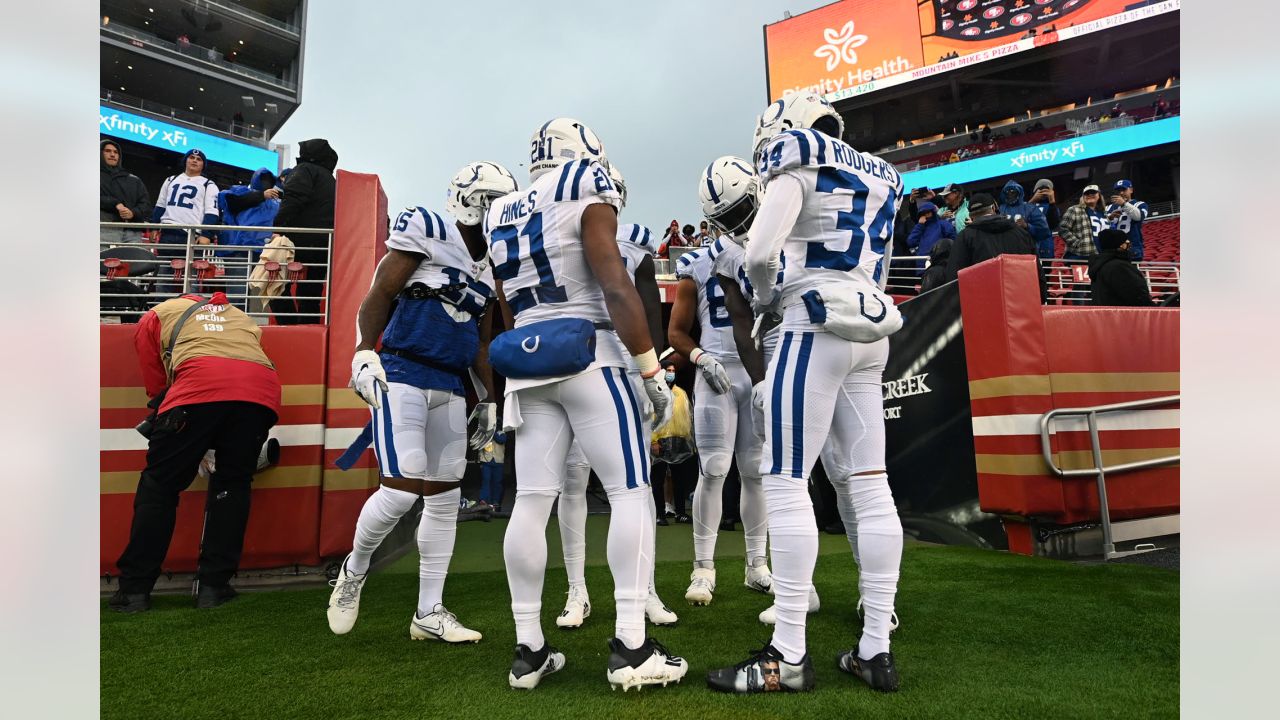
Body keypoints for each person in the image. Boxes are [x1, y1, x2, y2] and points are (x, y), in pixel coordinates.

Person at [709, 92, 906, 694]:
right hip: (872, 327)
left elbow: (763, 252)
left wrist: (767, 297)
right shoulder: (885, 174)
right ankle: (876, 646)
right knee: (871, 485)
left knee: (786, 479)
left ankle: (788, 653)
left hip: (813, 321)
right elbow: (885, 263)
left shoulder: (796, 152)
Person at [487, 118, 686, 691]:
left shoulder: (504, 209)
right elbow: (615, 282)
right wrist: (649, 366)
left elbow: (505, 301)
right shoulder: (585, 184)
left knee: (530, 502)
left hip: (529, 365)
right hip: (591, 354)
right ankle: (631, 646)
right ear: (588, 152)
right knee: (630, 491)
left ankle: (529, 650)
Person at [325, 162, 515, 643]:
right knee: (401, 489)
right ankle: (355, 568)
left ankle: (428, 612)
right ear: (472, 201)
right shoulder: (428, 228)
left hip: (450, 384)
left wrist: (488, 399)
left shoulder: (491, 263)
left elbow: (481, 339)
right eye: (496, 204)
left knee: (445, 499)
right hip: (403, 373)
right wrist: (364, 351)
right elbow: (379, 293)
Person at [553, 163, 679, 632]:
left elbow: (646, 304)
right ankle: (576, 590)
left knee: (636, 481)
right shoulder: (557, 229)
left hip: (624, 360)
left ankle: (644, 588)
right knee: (572, 481)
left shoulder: (634, 239)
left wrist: (656, 367)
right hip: (574, 356)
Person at [108, 290, 280, 613]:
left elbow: (157, 385)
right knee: (233, 483)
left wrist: (179, 426)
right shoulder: (240, 317)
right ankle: (214, 588)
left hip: (196, 392)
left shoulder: (158, 314)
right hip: (260, 395)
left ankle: (134, 591)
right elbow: (250, 366)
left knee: (159, 486)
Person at [671, 159, 777, 609]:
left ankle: (757, 565)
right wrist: (699, 355)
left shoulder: (772, 249)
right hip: (717, 372)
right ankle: (703, 567)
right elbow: (676, 332)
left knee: (755, 472)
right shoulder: (696, 263)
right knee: (714, 468)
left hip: (758, 370)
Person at [271, 138, 338, 323]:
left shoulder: (304, 170)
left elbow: (293, 200)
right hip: (324, 245)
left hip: (297, 241)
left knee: (271, 281)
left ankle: (289, 326)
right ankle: (309, 334)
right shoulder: (331, 179)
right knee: (310, 293)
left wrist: (277, 228)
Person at [946, 192, 1047, 301]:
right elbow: (1036, 269)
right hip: (1021, 302)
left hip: (984, 306)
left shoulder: (964, 237)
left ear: (970, 216)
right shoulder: (1021, 233)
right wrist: (1041, 299)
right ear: (994, 208)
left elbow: (953, 278)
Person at [217, 168, 281, 309]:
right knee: (237, 294)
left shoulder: (275, 203)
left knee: (260, 297)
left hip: (265, 254)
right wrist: (261, 196)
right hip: (239, 250)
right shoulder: (240, 191)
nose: (265, 183)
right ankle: (236, 326)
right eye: (263, 180)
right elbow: (232, 203)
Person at [150, 149, 220, 263]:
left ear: (203, 165)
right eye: (191, 157)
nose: (194, 161)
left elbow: (212, 212)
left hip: (191, 235)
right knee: (164, 272)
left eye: (198, 159)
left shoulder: (208, 184)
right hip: (168, 232)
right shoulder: (170, 180)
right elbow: (160, 205)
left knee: (190, 275)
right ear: (185, 160)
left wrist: (206, 234)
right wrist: (154, 227)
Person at [100, 139, 151, 245]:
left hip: (132, 232)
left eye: (115, 152)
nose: (112, 155)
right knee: (103, 261)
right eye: (108, 151)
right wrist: (115, 203)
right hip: (104, 229)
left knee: (133, 260)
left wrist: (133, 213)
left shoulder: (133, 179)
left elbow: (146, 205)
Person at [1089, 228, 1153, 307]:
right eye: (1126, 241)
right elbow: (1138, 297)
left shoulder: (1100, 265)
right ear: (1119, 245)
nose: (1129, 243)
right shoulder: (1119, 267)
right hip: (1125, 316)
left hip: (1106, 316)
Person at [997, 180, 1052, 259]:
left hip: (1027, 252)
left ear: (1019, 193)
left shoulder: (1030, 208)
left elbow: (1044, 231)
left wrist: (1027, 226)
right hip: (1006, 253)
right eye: (1007, 192)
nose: (1010, 194)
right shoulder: (1000, 210)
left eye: (1013, 192)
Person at [1059, 185, 1107, 260]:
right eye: (1087, 193)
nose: (1090, 195)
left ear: (1099, 196)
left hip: (1100, 256)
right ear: (1083, 197)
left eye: (1093, 193)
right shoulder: (1074, 209)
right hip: (1079, 256)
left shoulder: (1104, 213)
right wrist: (1077, 244)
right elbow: (1063, 229)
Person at [1104, 179, 1149, 261]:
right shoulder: (1109, 207)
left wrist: (1124, 204)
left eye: (1124, 190)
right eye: (1118, 191)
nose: (1121, 193)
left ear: (1131, 190)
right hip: (1113, 248)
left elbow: (1138, 217)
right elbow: (1102, 224)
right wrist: (1110, 217)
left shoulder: (1140, 204)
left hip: (1132, 247)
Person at [477, 431, 507, 510]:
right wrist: (480, 460)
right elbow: (480, 445)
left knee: (497, 483)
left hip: (498, 461)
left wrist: (492, 432)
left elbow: (501, 440)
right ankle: (483, 500)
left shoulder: (502, 433)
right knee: (486, 480)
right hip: (486, 460)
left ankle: (495, 501)